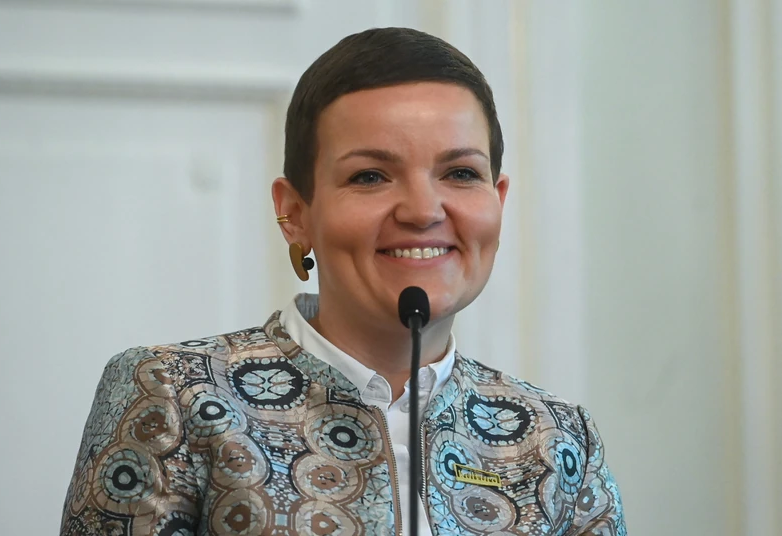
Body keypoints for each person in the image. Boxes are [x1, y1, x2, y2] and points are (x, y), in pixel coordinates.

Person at [61, 27, 626, 536]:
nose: (422, 210)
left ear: (497, 201)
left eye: (460, 173)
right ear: (295, 212)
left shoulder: (557, 438)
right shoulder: (176, 396)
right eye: (370, 176)